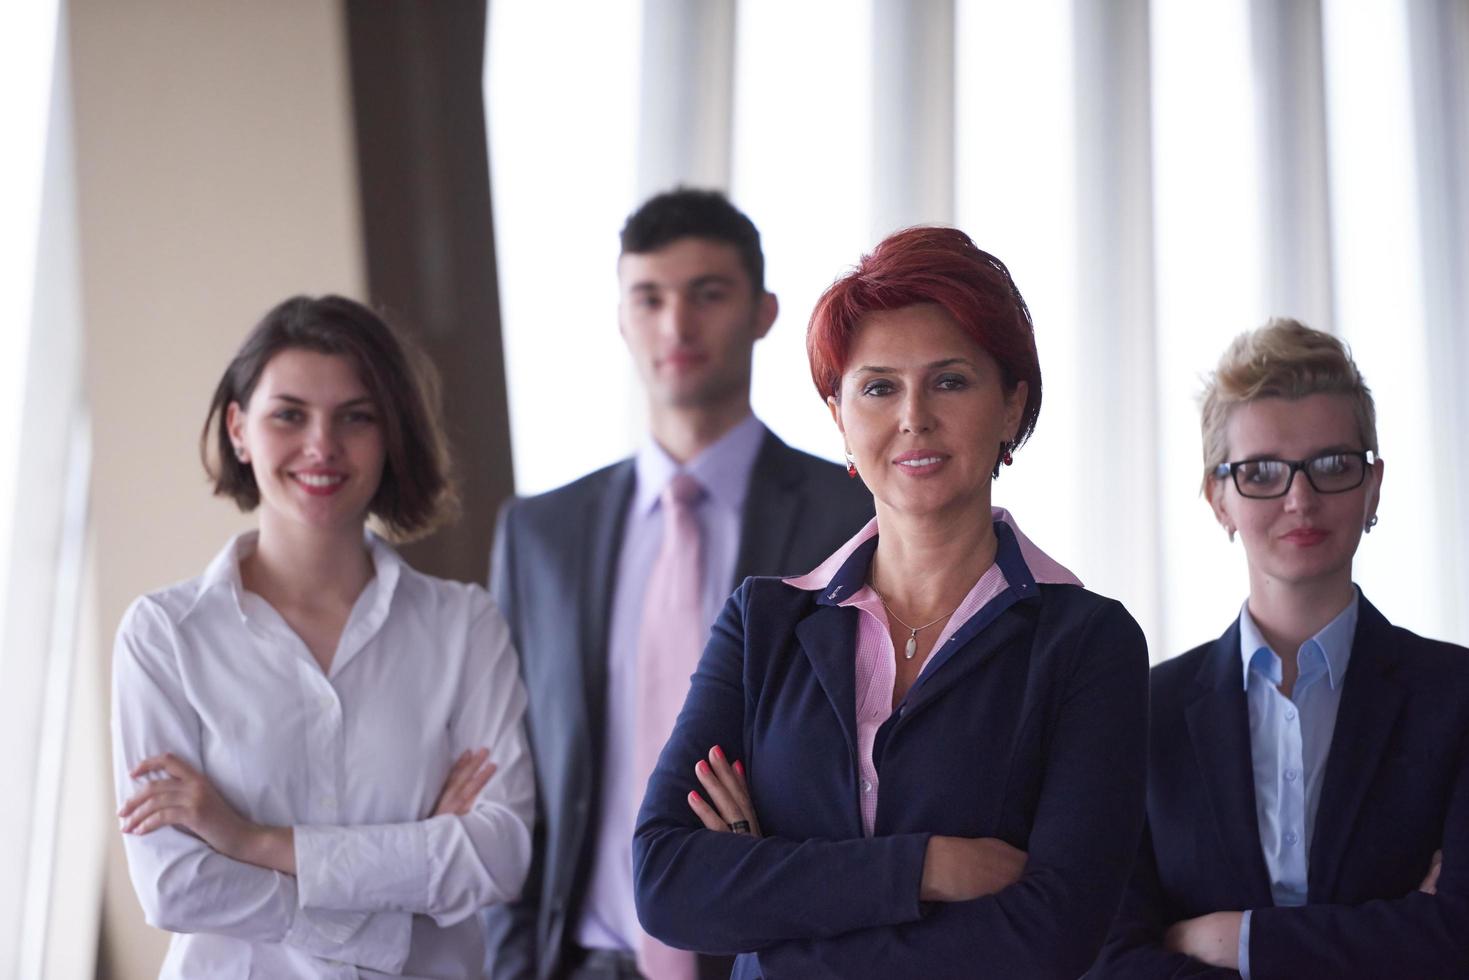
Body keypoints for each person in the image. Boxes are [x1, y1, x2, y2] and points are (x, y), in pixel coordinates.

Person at [632, 226, 1151, 979]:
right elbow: (668, 884)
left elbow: (1052, 936)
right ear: (839, 417)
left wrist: (771, 890)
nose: (913, 416)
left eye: (949, 381)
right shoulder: (763, 623)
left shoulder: (1087, 642)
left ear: (1011, 407)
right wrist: (923, 869)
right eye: (878, 386)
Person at [482, 188, 873, 980]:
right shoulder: (539, 536)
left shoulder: (851, 511)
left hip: (776, 955)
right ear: (621, 317)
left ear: (764, 312)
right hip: (582, 960)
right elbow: (513, 767)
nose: (676, 324)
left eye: (708, 294)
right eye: (648, 298)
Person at [111, 295, 534, 978]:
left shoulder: (464, 625)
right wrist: (407, 876)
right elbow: (175, 885)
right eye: (289, 415)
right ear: (238, 429)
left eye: (356, 417)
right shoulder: (164, 636)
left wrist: (250, 839)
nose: (322, 445)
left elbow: (496, 856)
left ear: (390, 435)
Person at [1089, 319, 1469, 978]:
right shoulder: (1139, 713)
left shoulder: (1458, 696)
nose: (1300, 499)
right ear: (1218, 498)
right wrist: (1393, 936)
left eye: (1330, 465)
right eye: (1261, 472)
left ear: (1372, 485)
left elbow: (1460, 938)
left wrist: (1232, 941)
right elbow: (1104, 957)